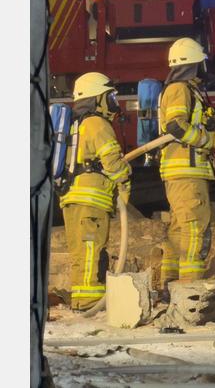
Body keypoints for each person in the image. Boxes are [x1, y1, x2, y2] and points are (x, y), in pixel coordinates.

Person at [157, 38, 215, 287]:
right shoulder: (179, 89)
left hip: (183, 173)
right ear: (193, 64)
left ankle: (171, 284)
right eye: (202, 63)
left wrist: (212, 121)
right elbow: (176, 126)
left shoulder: (187, 90)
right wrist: (209, 139)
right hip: (186, 172)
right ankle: (190, 288)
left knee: (179, 228)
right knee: (194, 228)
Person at [60, 72, 132, 310]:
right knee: (91, 249)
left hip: (73, 197)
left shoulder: (76, 123)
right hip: (91, 200)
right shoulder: (96, 123)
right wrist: (125, 177)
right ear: (96, 98)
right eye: (109, 95)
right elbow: (112, 161)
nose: (114, 101)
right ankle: (90, 302)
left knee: (81, 251)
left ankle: (82, 299)